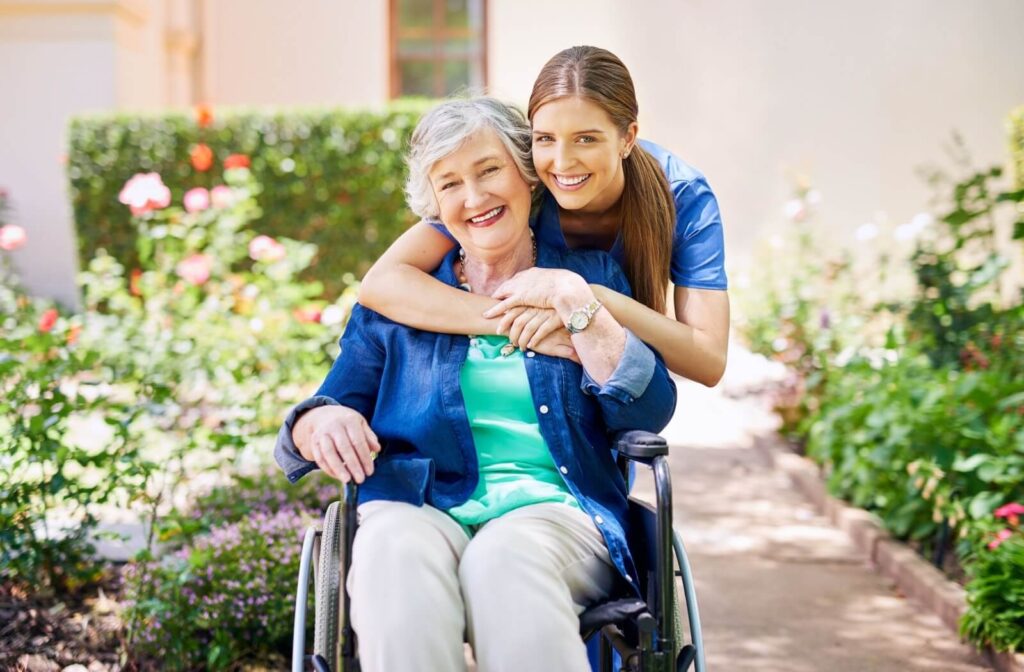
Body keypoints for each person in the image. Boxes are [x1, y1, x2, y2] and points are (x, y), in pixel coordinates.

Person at [274, 97, 677, 672]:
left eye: (488, 170)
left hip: (556, 510)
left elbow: (650, 408)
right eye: (451, 183)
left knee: (504, 558)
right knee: (390, 553)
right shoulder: (397, 304)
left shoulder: (590, 278)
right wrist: (320, 420)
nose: (475, 197)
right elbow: (329, 402)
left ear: (525, 174)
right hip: (418, 503)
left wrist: (578, 311)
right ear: (435, 206)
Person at [358, 45, 730, 386]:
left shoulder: (683, 195)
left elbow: (709, 360)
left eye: (586, 138)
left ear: (627, 138)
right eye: (546, 138)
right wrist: (506, 320)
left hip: (620, 377)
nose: (562, 162)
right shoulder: (523, 179)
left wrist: (586, 299)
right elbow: (381, 283)